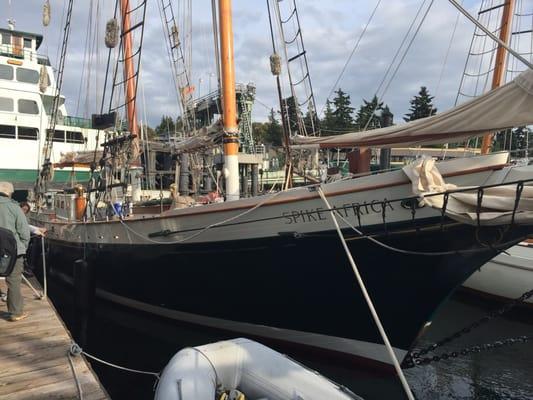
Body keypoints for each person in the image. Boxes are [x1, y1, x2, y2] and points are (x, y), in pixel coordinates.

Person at [0, 182, 30, 321]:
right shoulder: (14, 208)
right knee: (13, 281)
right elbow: (24, 232)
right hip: (12, 251)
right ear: (10, 193)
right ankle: (15, 312)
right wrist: (22, 247)